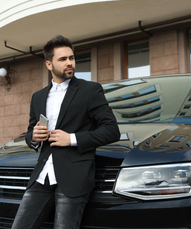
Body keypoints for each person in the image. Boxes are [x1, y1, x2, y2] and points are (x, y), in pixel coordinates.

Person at [11, 35, 120, 229]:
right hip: (41, 176)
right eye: (63, 59)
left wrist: (71, 138)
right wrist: (33, 137)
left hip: (74, 177)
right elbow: (30, 131)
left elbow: (112, 131)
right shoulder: (38, 97)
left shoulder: (90, 90)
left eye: (71, 58)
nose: (69, 63)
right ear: (49, 64)